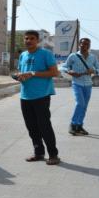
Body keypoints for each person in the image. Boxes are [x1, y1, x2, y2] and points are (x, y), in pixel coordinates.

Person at [16, 30, 61, 165]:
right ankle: (39, 153)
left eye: (32, 38)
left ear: (37, 40)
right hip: (25, 96)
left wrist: (33, 73)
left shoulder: (45, 54)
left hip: (41, 96)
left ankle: (53, 154)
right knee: (31, 127)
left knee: (44, 126)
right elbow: (20, 70)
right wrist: (19, 75)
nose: (28, 41)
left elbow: (55, 72)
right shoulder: (23, 55)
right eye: (26, 38)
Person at [61, 38, 99, 136]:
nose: (85, 46)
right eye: (83, 44)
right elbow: (64, 66)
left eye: (87, 44)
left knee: (84, 106)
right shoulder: (73, 56)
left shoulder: (93, 57)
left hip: (88, 84)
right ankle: (73, 124)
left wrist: (93, 70)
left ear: (89, 45)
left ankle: (79, 126)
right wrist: (70, 71)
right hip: (77, 83)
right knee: (80, 103)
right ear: (79, 45)